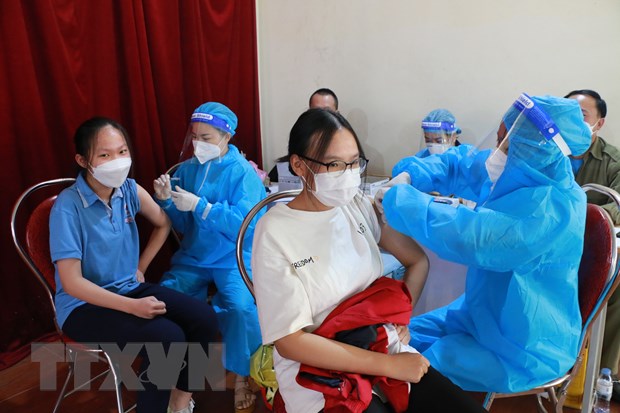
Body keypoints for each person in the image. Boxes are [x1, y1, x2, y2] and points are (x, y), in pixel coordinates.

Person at [252, 108, 488, 413]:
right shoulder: (275, 232)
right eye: (334, 164)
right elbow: (290, 342)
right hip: (317, 371)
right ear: (298, 165)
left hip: (380, 344)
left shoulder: (355, 206)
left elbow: (417, 262)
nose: (347, 174)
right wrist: (388, 365)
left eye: (354, 163)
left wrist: (400, 319)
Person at [378, 94, 593, 393]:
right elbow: (459, 164)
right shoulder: (519, 171)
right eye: (499, 138)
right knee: (387, 340)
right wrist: (410, 174)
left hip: (524, 347)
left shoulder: (554, 208)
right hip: (479, 315)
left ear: (535, 149)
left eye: (506, 144)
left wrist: (399, 200)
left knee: (406, 368)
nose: (497, 150)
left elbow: (473, 238)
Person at [50, 117, 219, 413]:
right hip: (82, 306)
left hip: (128, 287)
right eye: (105, 155)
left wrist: (140, 266)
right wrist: (131, 306)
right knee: (166, 338)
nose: (117, 161)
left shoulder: (129, 190)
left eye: (122, 151)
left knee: (204, 318)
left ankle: (179, 400)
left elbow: (163, 222)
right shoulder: (68, 206)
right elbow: (72, 283)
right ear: (82, 160)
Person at [153, 102, 266, 413]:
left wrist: (202, 207)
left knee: (240, 308)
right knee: (165, 300)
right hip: (194, 256)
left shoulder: (242, 172)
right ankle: (171, 378)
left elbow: (247, 225)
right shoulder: (188, 170)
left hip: (232, 257)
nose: (198, 144)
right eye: (194, 137)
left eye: (206, 138)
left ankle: (243, 375)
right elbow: (184, 225)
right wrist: (167, 202)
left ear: (226, 137)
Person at [565, 89, 620, 396]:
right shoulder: (547, 152)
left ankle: (600, 375)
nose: (573, 122)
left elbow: (619, 205)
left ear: (599, 123)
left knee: (615, 290)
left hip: (590, 250)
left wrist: (583, 216)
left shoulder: (612, 161)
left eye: (582, 116)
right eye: (567, 114)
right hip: (548, 247)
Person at [268, 88, 340, 184]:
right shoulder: (300, 133)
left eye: (327, 111)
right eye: (316, 111)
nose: (322, 117)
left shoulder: (345, 141)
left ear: (337, 114)